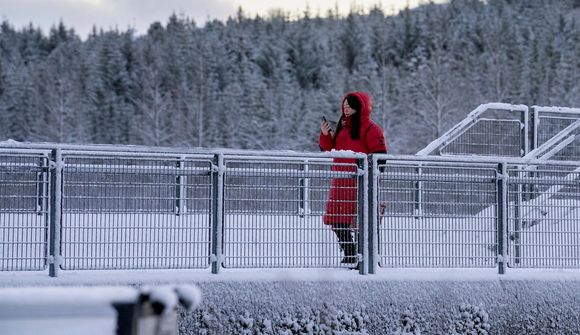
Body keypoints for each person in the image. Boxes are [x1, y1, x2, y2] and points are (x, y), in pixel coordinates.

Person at [319, 91, 388, 266]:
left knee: (360, 221)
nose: (346, 109)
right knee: (336, 219)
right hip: (340, 180)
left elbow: (380, 157)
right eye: (344, 106)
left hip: (360, 182)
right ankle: (350, 254)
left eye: (349, 106)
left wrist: (372, 177)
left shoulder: (372, 129)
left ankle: (362, 258)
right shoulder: (343, 127)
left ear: (360, 108)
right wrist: (325, 135)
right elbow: (330, 150)